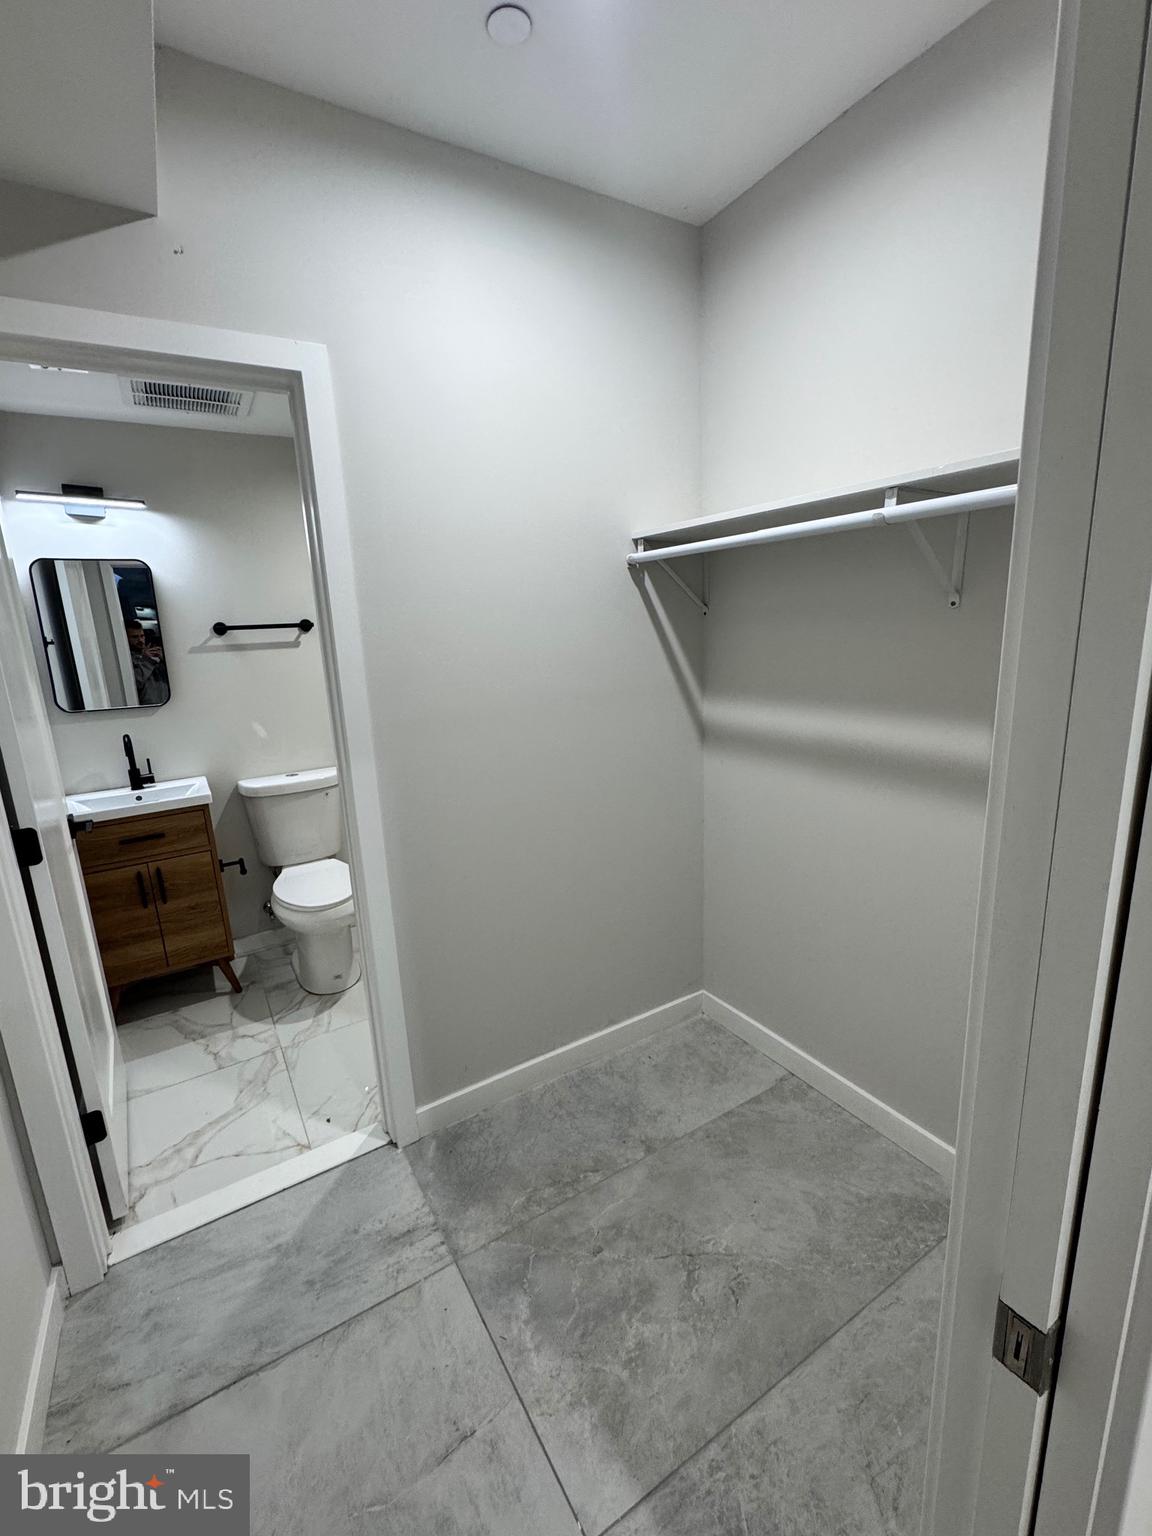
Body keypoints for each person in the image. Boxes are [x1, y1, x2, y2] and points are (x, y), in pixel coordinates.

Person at [125, 619, 169, 706]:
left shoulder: (155, 655)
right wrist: (147, 661)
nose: (140, 640)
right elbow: (135, 683)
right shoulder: (126, 660)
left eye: (142, 636)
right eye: (135, 637)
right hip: (147, 707)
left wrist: (165, 661)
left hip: (167, 704)